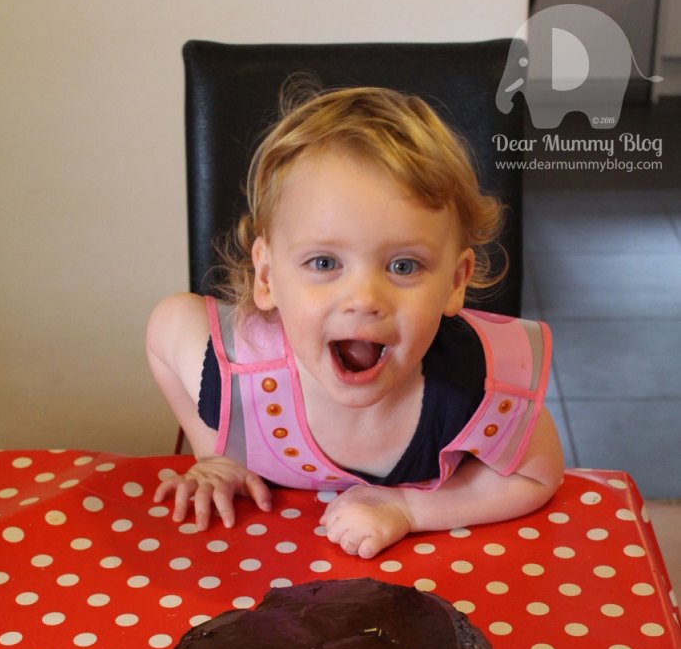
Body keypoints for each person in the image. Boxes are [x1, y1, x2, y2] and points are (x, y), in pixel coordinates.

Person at [146, 85, 564, 559]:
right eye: (324, 263)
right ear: (266, 276)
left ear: (454, 282)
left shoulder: (476, 389)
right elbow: (165, 329)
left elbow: (537, 472)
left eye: (403, 266)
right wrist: (215, 456)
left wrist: (408, 509)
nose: (364, 299)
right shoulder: (231, 373)